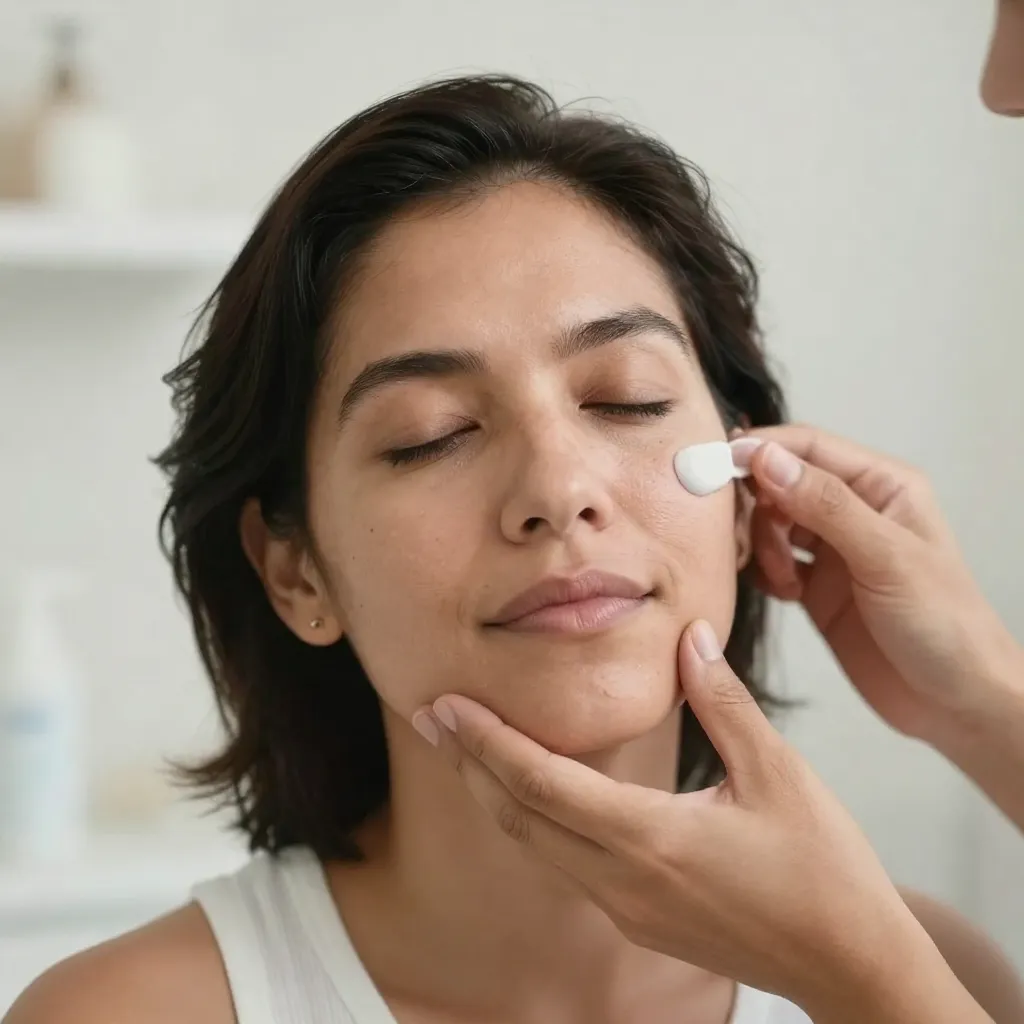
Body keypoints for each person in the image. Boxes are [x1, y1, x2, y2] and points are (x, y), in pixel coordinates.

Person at [5, 46, 1022, 1024]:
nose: (558, 489)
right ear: (295, 571)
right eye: (431, 435)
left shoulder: (932, 975)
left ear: (749, 495)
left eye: (626, 398)